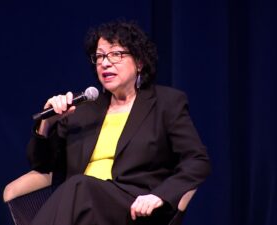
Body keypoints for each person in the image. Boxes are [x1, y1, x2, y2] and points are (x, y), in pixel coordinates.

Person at [27, 20, 211, 225]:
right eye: (99, 56)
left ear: (139, 62)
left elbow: (197, 160)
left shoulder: (166, 103)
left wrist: (160, 195)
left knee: (78, 186)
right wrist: (47, 122)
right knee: (77, 189)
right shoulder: (82, 111)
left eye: (116, 54)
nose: (105, 63)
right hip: (82, 210)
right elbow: (42, 165)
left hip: (134, 209)